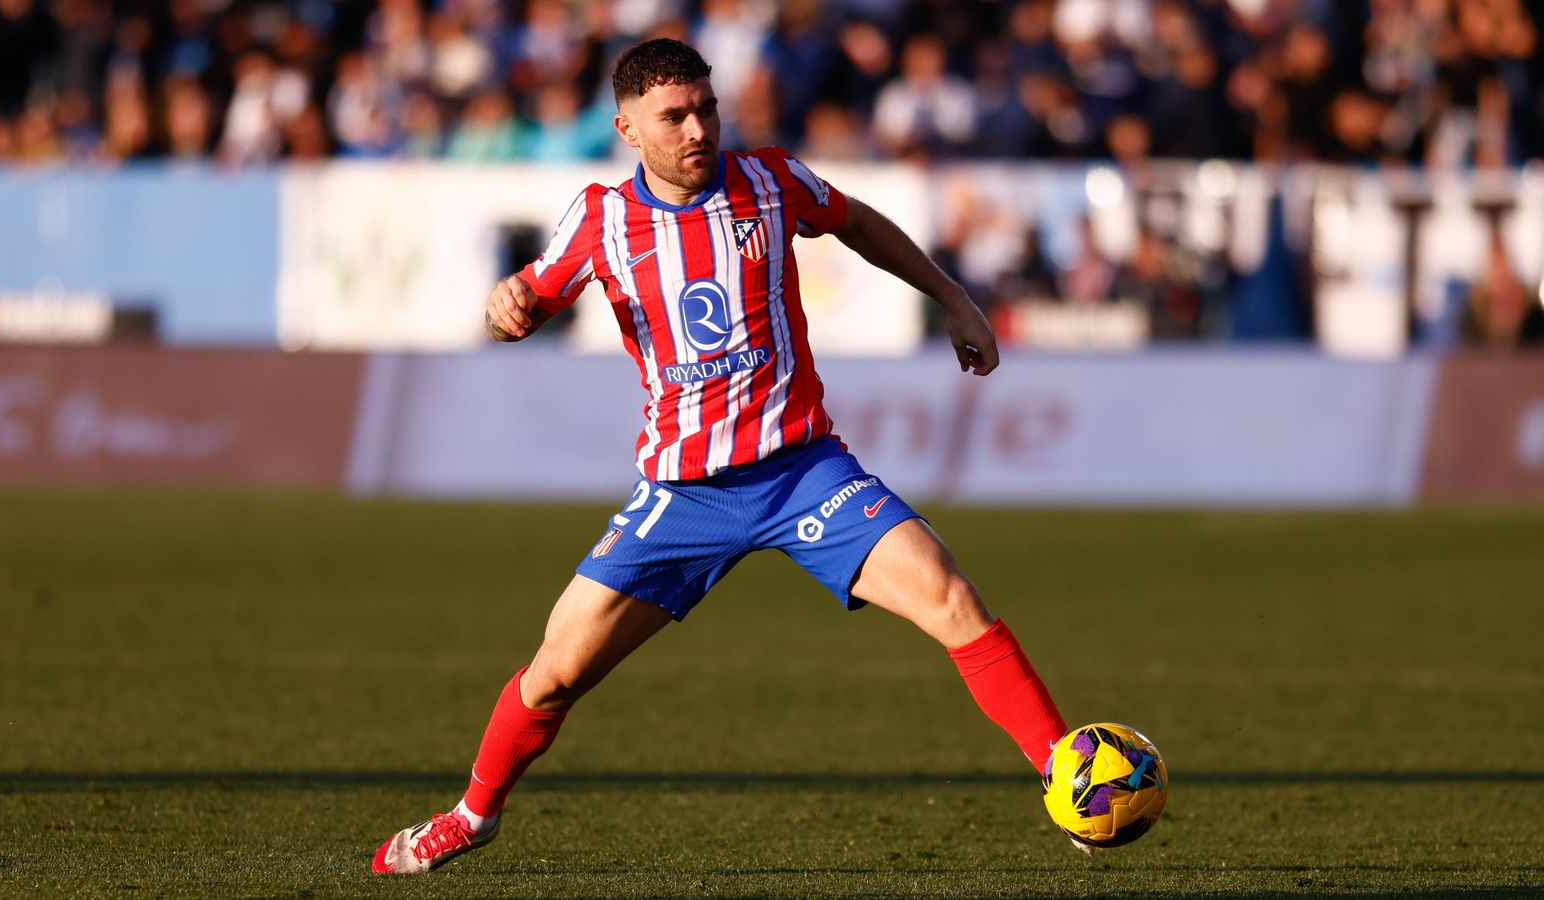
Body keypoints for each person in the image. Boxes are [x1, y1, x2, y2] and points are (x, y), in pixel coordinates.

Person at [371, 38, 1070, 876]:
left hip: (804, 471)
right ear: (628, 127)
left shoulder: (771, 182)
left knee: (954, 598)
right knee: (552, 674)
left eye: (706, 107)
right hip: (683, 496)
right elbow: (525, 297)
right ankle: (471, 816)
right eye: (675, 116)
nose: (698, 128)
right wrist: (505, 307)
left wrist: (952, 298)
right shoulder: (601, 219)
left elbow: (857, 223)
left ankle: (1071, 781)